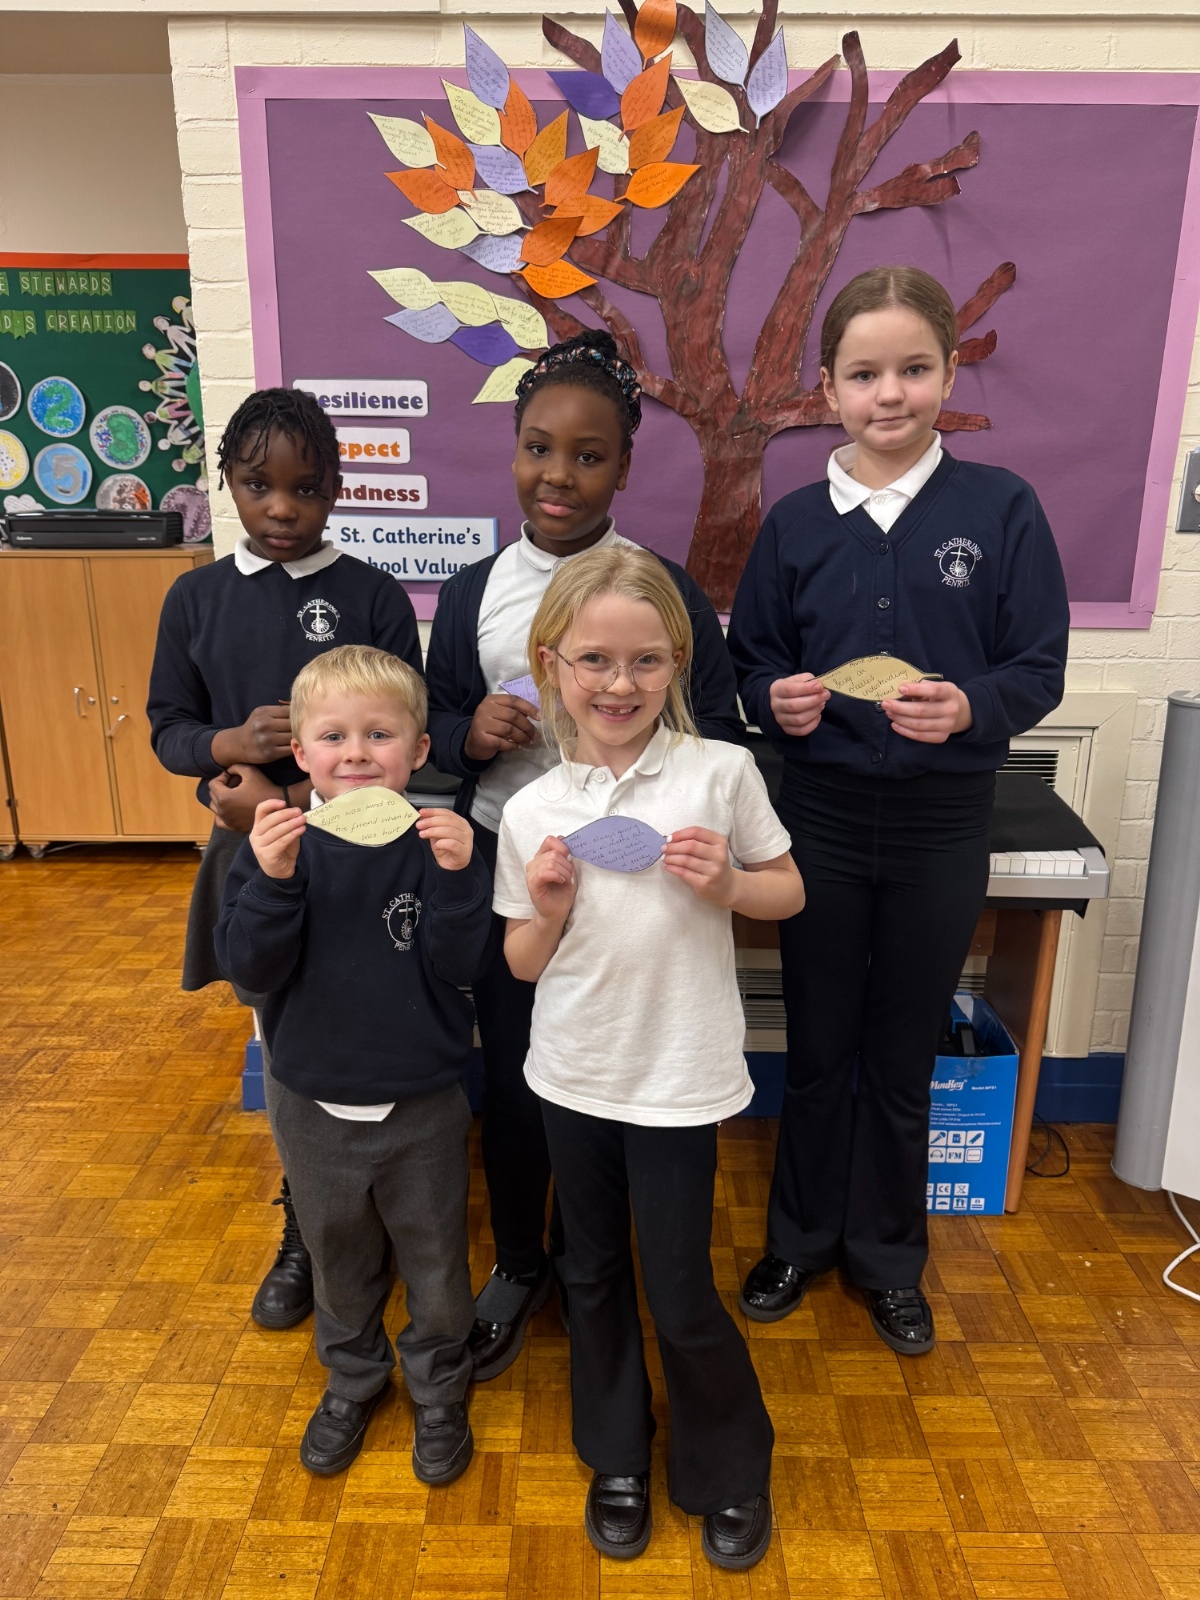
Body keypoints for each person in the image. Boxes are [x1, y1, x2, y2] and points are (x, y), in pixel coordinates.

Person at [727, 265, 1069, 1354]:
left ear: (949, 374)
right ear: (828, 386)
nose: (890, 394)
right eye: (865, 373)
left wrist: (970, 704)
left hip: (941, 823)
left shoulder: (1001, 509)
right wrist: (770, 698)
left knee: (902, 1049)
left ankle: (887, 1258)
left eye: (913, 369)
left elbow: (1038, 667)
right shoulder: (794, 523)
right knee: (819, 1043)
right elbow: (750, 662)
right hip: (819, 818)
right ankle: (799, 1239)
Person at [425, 331, 744, 1379]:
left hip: (639, 884)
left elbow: (719, 733)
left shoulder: (664, 591)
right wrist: (469, 733)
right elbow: (434, 722)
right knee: (521, 1075)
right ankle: (523, 1259)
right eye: (538, 448)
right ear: (514, 450)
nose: (558, 475)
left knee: (609, 1077)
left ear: (624, 467)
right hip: (520, 874)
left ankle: (591, 1257)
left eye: (588, 455)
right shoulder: (474, 592)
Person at [494, 545, 804, 1569]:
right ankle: (616, 1452)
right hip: (572, 1072)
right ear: (552, 664)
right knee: (591, 1272)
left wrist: (731, 886)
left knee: (676, 1284)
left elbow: (788, 890)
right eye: (594, 660)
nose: (619, 684)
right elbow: (522, 961)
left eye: (645, 661)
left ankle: (728, 1465)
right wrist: (546, 910)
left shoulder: (721, 773)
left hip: (678, 1074)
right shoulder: (534, 808)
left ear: (677, 662)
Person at [147, 388, 423, 1331]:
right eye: (258, 485)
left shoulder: (372, 595)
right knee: (284, 1037)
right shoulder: (195, 597)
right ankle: (306, 1222)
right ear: (226, 480)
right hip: (251, 857)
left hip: (364, 856)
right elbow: (168, 729)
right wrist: (228, 747)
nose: (280, 508)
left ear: (337, 490)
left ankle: (387, 1208)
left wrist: (294, 799)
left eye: (305, 489)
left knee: (361, 1016)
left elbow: (405, 734)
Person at [215, 646, 492, 1484]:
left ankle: (439, 1385)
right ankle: (353, 1379)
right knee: (336, 1256)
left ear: (419, 749)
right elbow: (250, 971)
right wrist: (274, 880)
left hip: (423, 1100)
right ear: (301, 753)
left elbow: (465, 965)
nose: (358, 753)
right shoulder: (275, 847)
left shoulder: (438, 845)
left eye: (380, 734)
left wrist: (459, 878)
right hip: (311, 1100)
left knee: (435, 1259)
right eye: (334, 736)